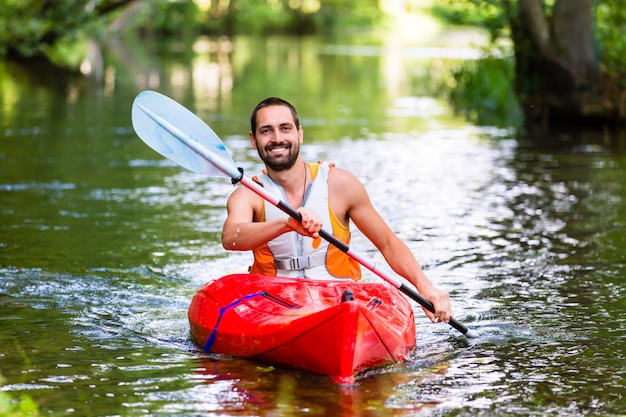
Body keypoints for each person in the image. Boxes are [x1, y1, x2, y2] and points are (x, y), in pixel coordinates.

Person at [222, 97, 452, 324]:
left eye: (285, 128)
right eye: (266, 131)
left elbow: (387, 243)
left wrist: (425, 287)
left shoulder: (340, 184)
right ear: (253, 140)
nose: (277, 138)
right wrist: (285, 224)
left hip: (338, 299)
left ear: (299, 133)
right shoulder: (249, 194)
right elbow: (231, 238)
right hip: (274, 302)